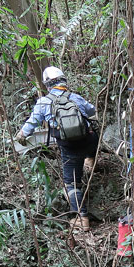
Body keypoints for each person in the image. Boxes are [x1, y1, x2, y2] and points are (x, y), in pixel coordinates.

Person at [15, 66, 98, 232]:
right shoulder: (75, 97)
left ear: (47, 85)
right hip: (89, 141)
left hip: (69, 146)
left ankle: (82, 219)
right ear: (63, 81)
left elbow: (32, 124)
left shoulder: (44, 102)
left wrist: (20, 135)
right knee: (93, 134)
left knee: (71, 184)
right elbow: (92, 111)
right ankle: (90, 159)